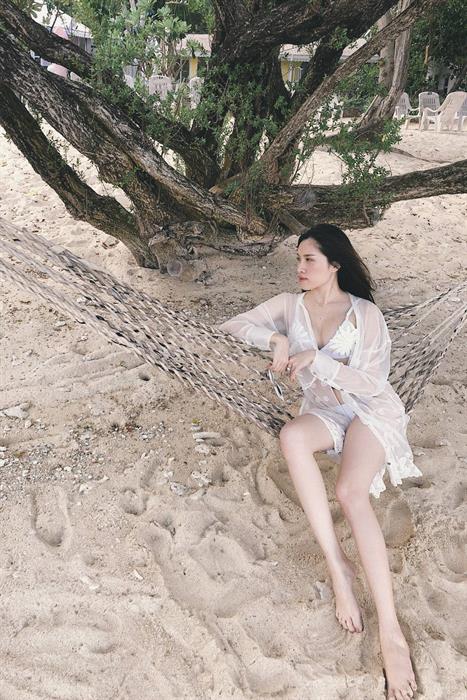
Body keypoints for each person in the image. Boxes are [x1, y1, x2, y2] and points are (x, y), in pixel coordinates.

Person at [218, 224, 422, 700]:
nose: (300, 267)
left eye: (309, 259)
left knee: (350, 493)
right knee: (292, 436)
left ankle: (390, 631)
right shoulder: (290, 307)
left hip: (369, 412)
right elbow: (231, 326)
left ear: (335, 264)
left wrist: (317, 360)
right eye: (298, 258)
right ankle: (338, 567)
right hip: (326, 412)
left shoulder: (365, 313)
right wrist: (276, 341)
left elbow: (372, 384)